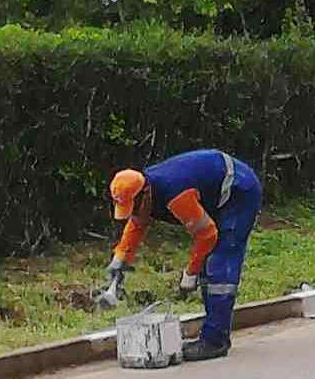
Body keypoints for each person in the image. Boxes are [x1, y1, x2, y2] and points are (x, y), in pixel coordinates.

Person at [101, 149, 262, 362]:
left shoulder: (176, 195)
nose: (133, 211)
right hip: (217, 189)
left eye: (135, 206)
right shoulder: (145, 190)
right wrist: (121, 257)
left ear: (145, 194)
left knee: (218, 262)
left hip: (239, 191)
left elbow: (207, 235)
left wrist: (190, 273)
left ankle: (215, 341)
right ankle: (213, 331)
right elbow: (137, 223)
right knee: (209, 260)